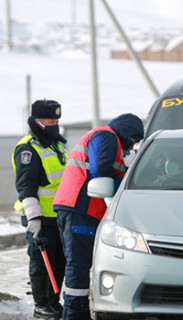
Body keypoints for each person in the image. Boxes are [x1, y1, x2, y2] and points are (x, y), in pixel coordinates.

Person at [53, 113, 144, 319]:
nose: (132, 146)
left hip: (79, 208)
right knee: (78, 264)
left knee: (78, 263)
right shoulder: (107, 135)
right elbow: (101, 170)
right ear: (128, 131)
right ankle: (75, 315)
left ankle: (76, 312)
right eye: (134, 139)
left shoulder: (109, 140)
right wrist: (125, 186)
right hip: (81, 207)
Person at [12, 99, 68, 319]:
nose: (54, 122)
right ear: (36, 120)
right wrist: (33, 217)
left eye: (56, 119)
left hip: (59, 215)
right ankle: (41, 305)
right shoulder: (28, 148)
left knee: (59, 262)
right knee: (41, 262)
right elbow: (26, 185)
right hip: (40, 217)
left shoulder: (56, 144)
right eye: (49, 119)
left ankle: (54, 302)